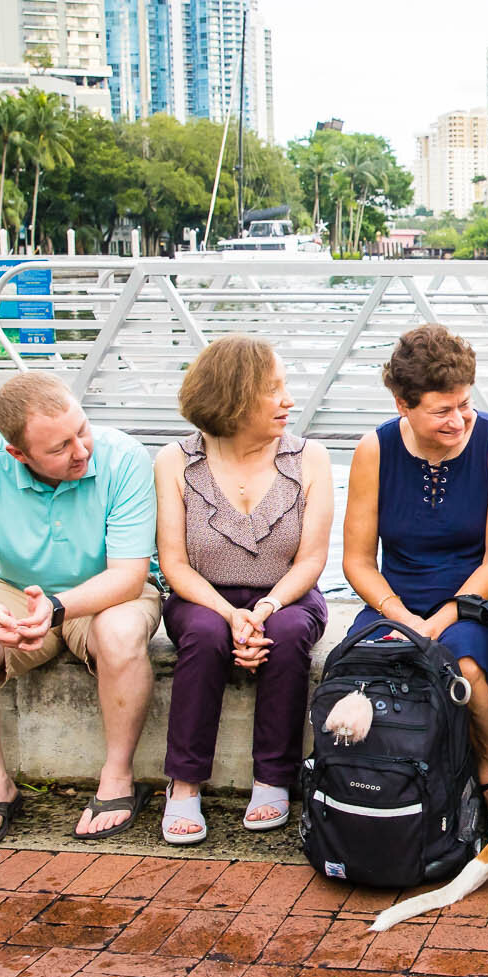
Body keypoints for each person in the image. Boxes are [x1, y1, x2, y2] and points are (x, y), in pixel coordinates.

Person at [0, 372, 160, 846]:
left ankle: (117, 777)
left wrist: (55, 608)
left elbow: (129, 574)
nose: (81, 451)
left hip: (106, 592)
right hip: (12, 591)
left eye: (83, 430)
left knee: (120, 633)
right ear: (18, 454)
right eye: (59, 448)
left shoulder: (126, 457)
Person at [342, 324, 488, 826]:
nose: (459, 419)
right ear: (404, 405)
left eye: (464, 403)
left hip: (481, 602)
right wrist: (400, 616)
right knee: (358, 667)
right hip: (398, 602)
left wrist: (441, 619)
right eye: (442, 410)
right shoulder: (375, 449)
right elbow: (357, 562)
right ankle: (374, 781)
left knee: (463, 663)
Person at [154, 336, 333, 845]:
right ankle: (184, 784)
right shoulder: (175, 461)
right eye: (273, 390)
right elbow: (175, 565)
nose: (289, 402)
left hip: (288, 592)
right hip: (201, 595)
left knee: (291, 628)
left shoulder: (309, 458)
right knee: (208, 633)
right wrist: (231, 614)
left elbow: (312, 561)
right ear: (234, 397)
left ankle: (273, 777)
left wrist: (267, 605)